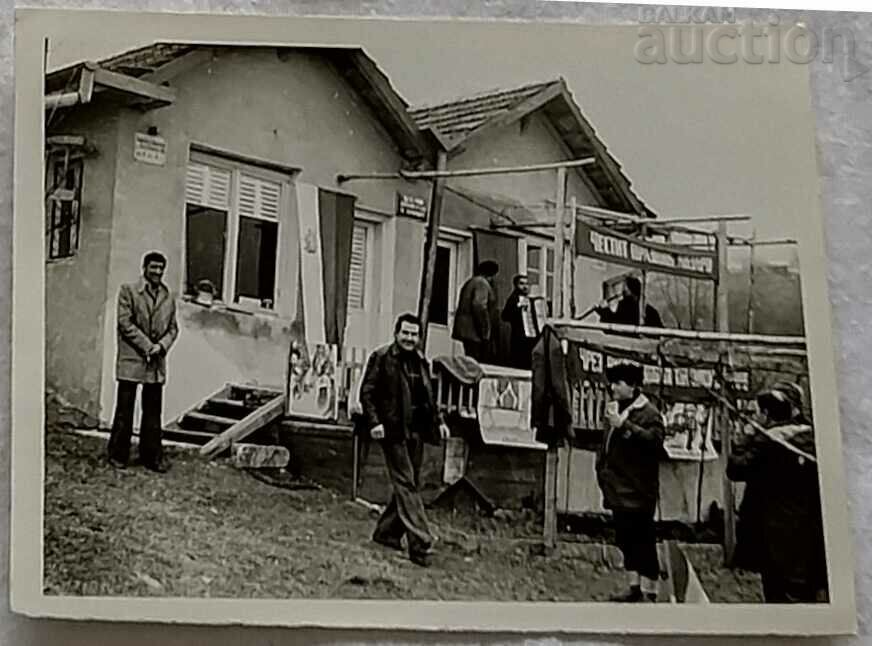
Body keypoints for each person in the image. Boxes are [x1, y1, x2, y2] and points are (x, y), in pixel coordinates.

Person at [360, 313, 450, 567]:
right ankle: (421, 542)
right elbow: (366, 393)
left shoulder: (421, 362)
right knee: (406, 483)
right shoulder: (382, 358)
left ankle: (386, 533)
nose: (409, 339)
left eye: (414, 334)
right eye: (405, 333)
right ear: (396, 333)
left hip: (416, 433)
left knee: (409, 484)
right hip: (393, 432)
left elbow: (429, 398)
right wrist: (374, 423)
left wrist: (440, 422)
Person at [727, 381, 828, 603]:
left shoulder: (769, 444)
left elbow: (735, 468)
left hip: (777, 538)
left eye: (757, 413)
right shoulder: (814, 438)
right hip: (810, 533)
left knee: (782, 598)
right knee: (806, 595)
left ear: (766, 414)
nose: (755, 418)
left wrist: (746, 437)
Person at [596, 362, 665, 602]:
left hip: (638, 489)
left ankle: (651, 589)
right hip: (617, 487)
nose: (613, 387)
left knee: (643, 539)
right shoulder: (615, 410)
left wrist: (624, 426)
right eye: (612, 382)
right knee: (625, 538)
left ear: (634, 386)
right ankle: (634, 586)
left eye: (618, 383)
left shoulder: (649, 414)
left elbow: (654, 443)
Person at [107, 251, 179, 472]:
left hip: (155, 363)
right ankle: (118, 455)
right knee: (125, 409)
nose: (157, 272)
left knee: (152, 411)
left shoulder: (168, 296)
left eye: (160, 268)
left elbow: (173, 328)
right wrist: (148, 346)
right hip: (132, 359)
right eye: (153, 267)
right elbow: (124, 324)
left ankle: (152, 456)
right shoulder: (128, 291)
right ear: (144, 268)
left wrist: (162, 346)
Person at [451, 260, 499, 363]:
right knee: (477, 363)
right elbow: (479, 306)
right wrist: (485, 332)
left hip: (467, 330)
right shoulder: (481, 283)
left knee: (470, 359)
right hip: (475, 332)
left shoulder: (470, 282)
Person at [501, 274, 539, 370]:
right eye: (521, 284)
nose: (525, 287)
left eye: (527, 284)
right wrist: (518, 307)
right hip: (519, 336)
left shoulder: (531, 300)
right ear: (516, 285)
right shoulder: (513, 299)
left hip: (532, 336)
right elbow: (505, 316)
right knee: (520, 362)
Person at [595, 276, 663, 327]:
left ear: (633, 292)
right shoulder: (650, 311)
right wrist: (603, 311)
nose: (622, 295)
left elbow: (616, 323)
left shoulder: (648, 312)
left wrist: (604, 312)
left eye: (625, 291)